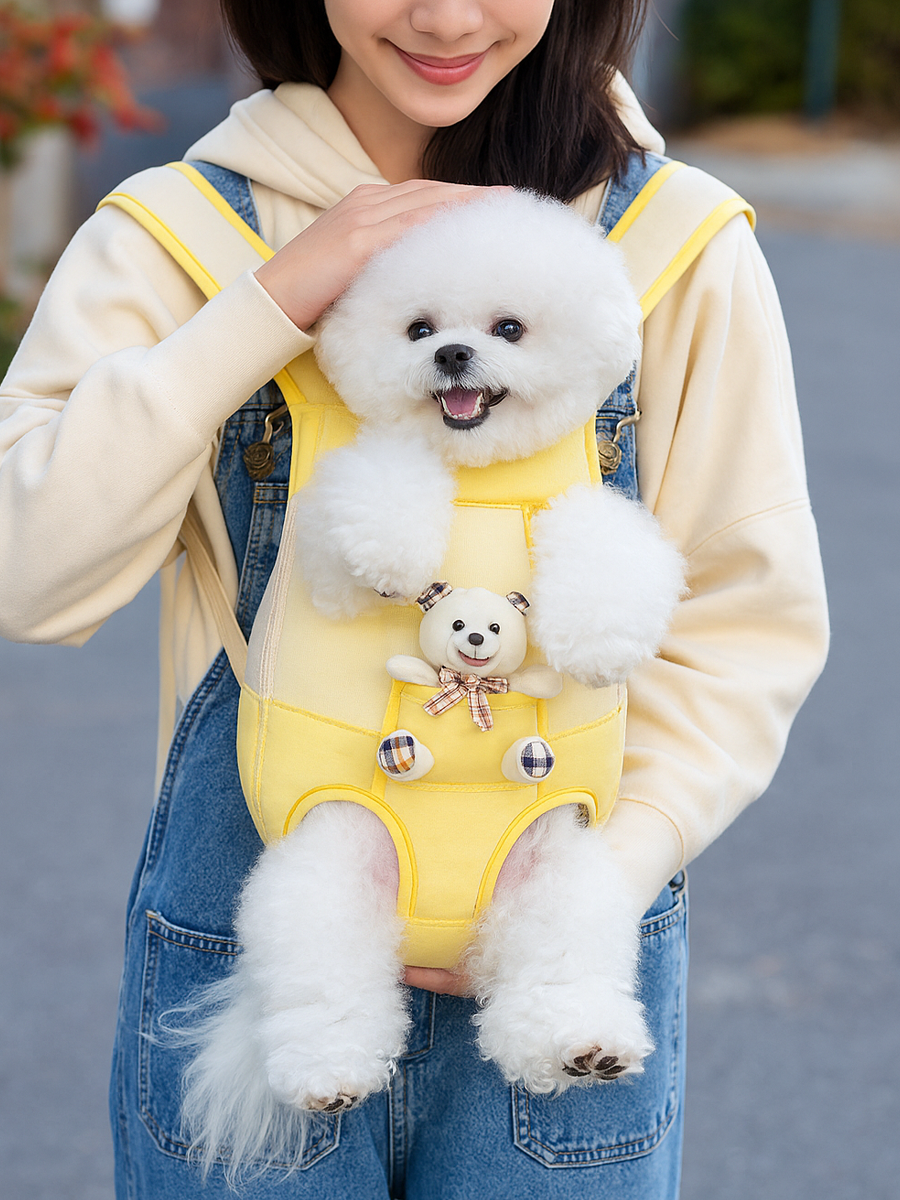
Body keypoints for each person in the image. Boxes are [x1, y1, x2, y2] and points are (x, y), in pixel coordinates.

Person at [0, 1, 828, 1197]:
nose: (444, 14)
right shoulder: (177, 237)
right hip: (268, 938)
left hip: (563, 949)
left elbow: (746, 625)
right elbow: (30, 573)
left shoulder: (674, 243)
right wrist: (274, 301)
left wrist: (604, 882)